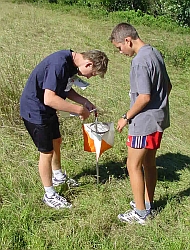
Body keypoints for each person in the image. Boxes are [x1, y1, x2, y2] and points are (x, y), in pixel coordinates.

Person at [20, 49, 108, 209]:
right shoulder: (59, 64)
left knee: (56, 141)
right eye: (92, 74)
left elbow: (66, 88)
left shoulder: (71, 63)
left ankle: (58, 175)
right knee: (46, 152)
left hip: (47, 110)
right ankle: (49, 194)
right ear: (89, 63)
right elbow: (49, 98)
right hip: (35, 110)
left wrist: (84, 102)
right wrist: (78, 110)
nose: (89, 77)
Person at [109, 23, 172, 224]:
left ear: (128, 40)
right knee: (149, 163)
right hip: (158, 120)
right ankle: (146, 202)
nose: (120, 52)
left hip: (143, 123)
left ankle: (140, 213)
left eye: (119, 48)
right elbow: (168, 86)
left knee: (132, 164)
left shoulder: (139, 61)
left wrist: (126, 117)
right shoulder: (155, 52)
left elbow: (144, 97)